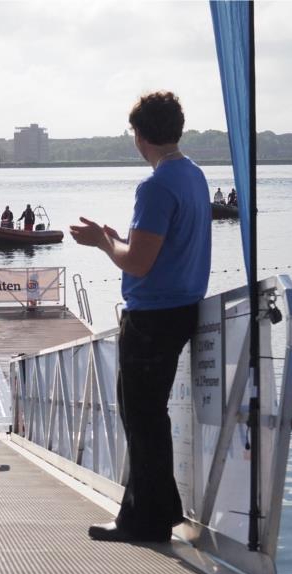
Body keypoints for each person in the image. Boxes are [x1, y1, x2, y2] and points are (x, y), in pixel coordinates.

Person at [69, 90, 211, 544]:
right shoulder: (195, 175)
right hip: (183, 307)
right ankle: (161, 509)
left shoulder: (155, 185)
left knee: (142, 418)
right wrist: (118, 238)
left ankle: (142, 521)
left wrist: (101, 242)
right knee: (151, 417)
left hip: (152, 316)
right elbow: (155, 248)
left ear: (140, 135)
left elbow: (138, 263)